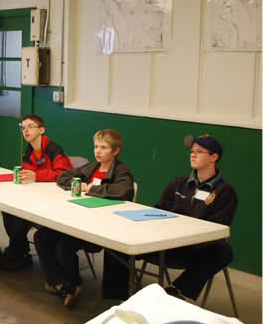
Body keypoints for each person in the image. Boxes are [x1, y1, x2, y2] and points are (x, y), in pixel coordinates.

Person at [35, 129, 134, 308]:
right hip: (78, 220)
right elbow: (63, 177)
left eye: (103, 148)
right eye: (96, 146)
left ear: (116, 151)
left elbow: (123, 191)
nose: (98, 151)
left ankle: (73, 284)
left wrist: (91, 189)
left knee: (64, 244)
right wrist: (77, 184)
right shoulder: (91, 167)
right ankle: (59, 282)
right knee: (41, 237)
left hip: (101, 227)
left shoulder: (121, 171)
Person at [154, 134, 237, 301]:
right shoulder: (178, 183)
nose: (193, 154)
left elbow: (217, 229)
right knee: (120, 244)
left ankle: (177, 292)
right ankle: (120, 296)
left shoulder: (225, 191)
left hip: (194, 247)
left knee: (222, 250)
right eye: (192, 151)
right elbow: (157, 210)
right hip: (164, 240)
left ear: (214, 157)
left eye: (199, 151)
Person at [0, 114, 73, 271]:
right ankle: (19, 252)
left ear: (42, 130)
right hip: (37, 195)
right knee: (9, 210)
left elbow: (64, 175)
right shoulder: (30, 149)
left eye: (30, 127)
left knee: (20, 217)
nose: (25, 130)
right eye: (23, 127)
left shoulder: (53, 149)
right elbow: (29, 171)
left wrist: (37, 176)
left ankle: (17, 253)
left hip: (55, 199)